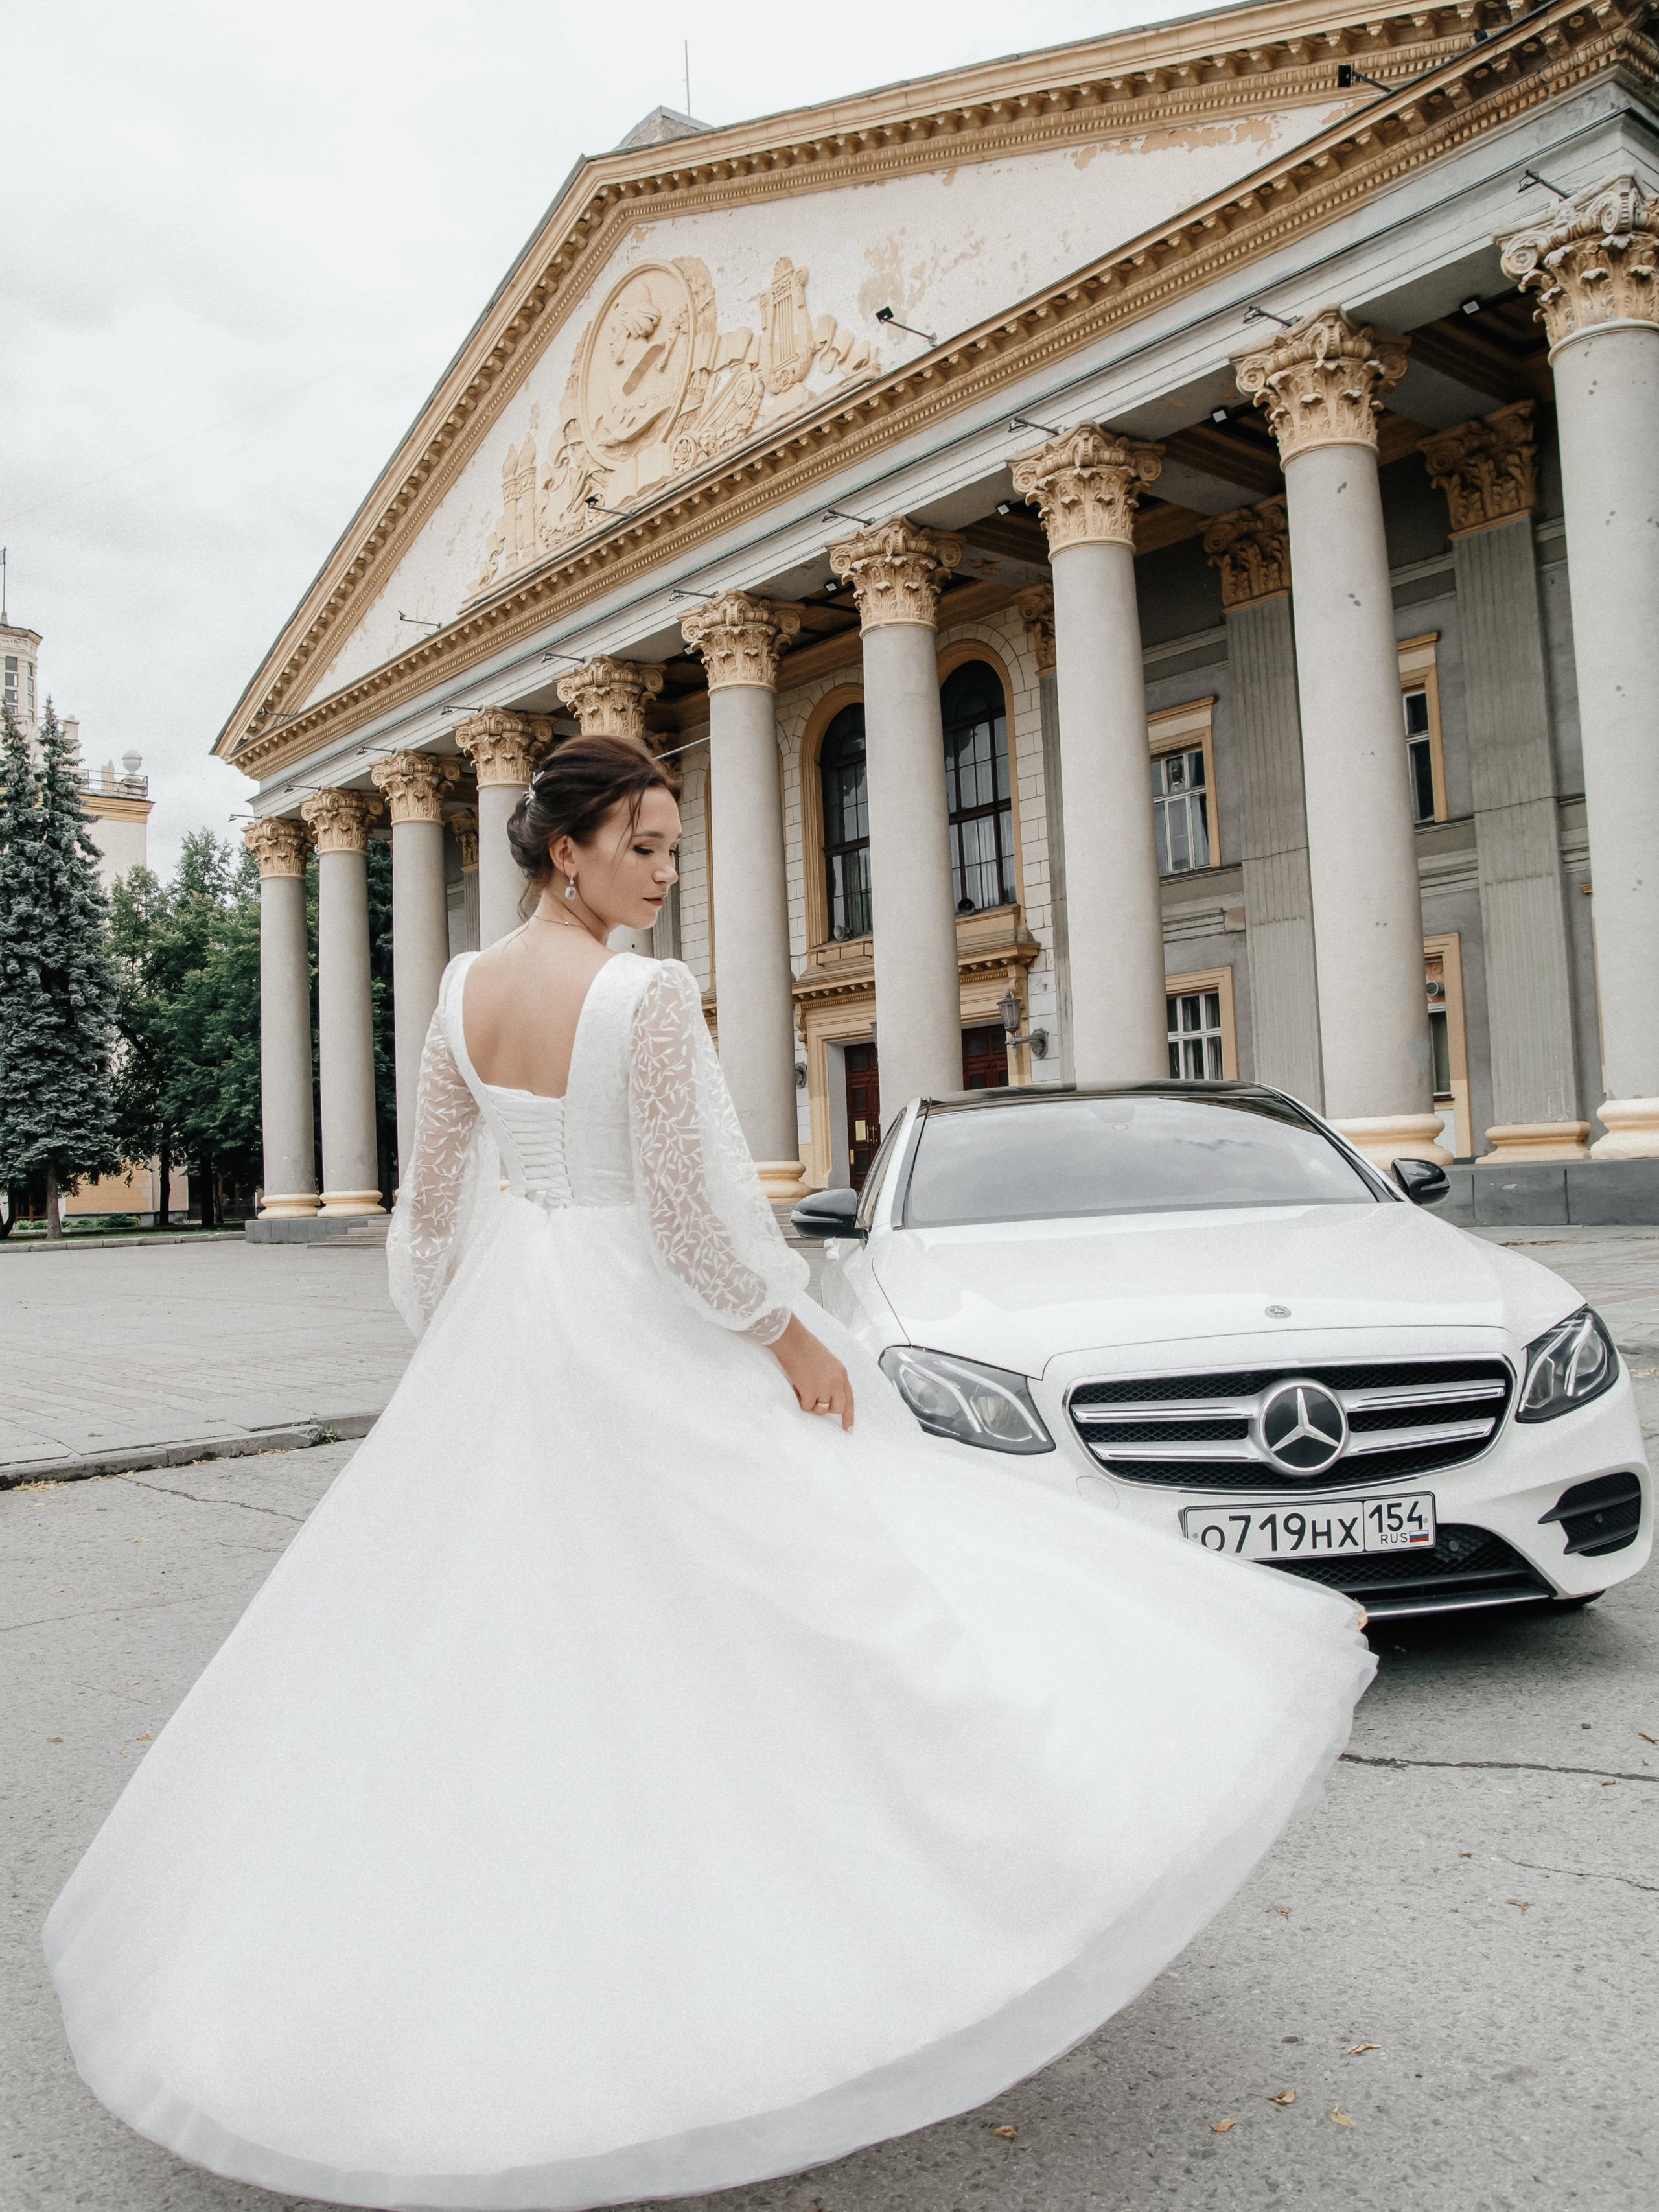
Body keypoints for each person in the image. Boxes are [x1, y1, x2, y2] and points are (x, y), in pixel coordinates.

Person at [46, 734, 1373, 2211]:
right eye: (644, 847)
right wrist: (788, 1335)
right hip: (636, 1310)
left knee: (500, 1651)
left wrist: (463, 1346)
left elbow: (427, 1216)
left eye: (675, 849)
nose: (665, 876)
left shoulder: (460, 991)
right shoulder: (646, 994)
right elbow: (689, 1220)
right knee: (799, 1595)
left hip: (515, 1326)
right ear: (566, 850)